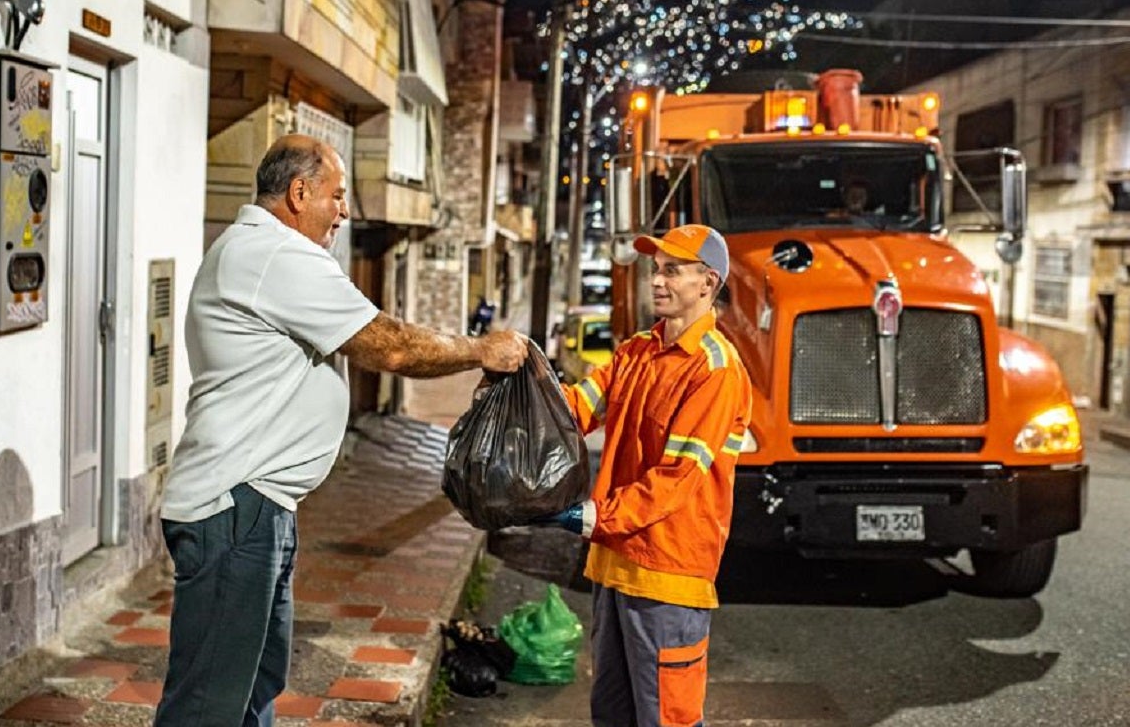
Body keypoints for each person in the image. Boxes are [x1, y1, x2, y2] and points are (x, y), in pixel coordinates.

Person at [155, 135, 527, 727]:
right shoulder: (275, 255)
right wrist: (481, 350)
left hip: (260, 506)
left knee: (254, 683)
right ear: (299, 193)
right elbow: (392, 346)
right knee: (209, 704)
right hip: (235, 505)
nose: (345, 211)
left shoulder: (260, 252)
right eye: (338, 195)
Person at [539, 224, 752, 727]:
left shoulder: (715, 370)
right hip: (615, 566)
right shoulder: (637, 351)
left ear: (708, 283)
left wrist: (592, 516)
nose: (657, 281)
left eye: (672, 271)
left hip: (668, 575)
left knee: (665, 718)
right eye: (657, 270)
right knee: (611, 712)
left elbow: (675, 480)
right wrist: (523, 383)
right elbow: (577, 408)